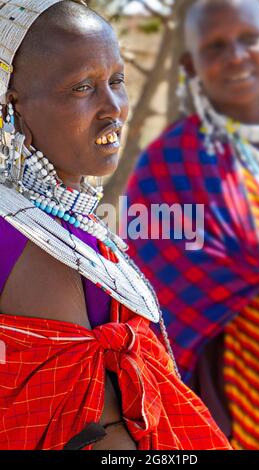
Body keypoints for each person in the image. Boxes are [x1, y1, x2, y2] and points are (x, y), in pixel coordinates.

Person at [0, 0, 230, 451]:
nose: (114, 108)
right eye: (83, 87)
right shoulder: (37, 242)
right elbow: (93, 433)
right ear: (15, 107)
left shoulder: (56, 222)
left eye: (117, 81)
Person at [125, 0, 259, 450]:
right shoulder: (171, 161)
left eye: (249, 39)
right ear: (191, 63)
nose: (236, 56)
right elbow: (152, 278)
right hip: (243, 397)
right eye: (216, 45)